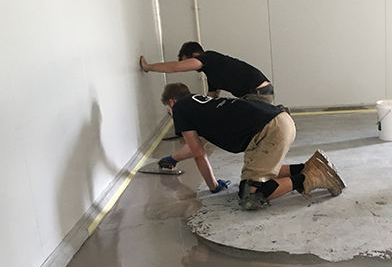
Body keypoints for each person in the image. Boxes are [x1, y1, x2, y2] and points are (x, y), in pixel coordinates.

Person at [156, 83, 345, 211]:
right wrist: (173, 159)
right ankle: (309, 167)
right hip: (279, 121)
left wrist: (213, 187)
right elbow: (198, 146)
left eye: (168, 110)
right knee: (263, 169)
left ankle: (312, 177)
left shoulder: (180, 109)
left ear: (172, 103)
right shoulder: (200, 106)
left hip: (267, 131)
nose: (172, 114)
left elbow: (199, 155)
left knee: (251, 195)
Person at [140, 42, 276, 104]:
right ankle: (277, 113)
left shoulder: (208, 58)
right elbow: (210, 99)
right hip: (259, 92)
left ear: (194, 55)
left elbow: (175, 67)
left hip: (258, 93)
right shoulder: (212, 74)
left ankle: (279, 114)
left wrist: (148, 67)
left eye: (186, 61)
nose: (187, 66)